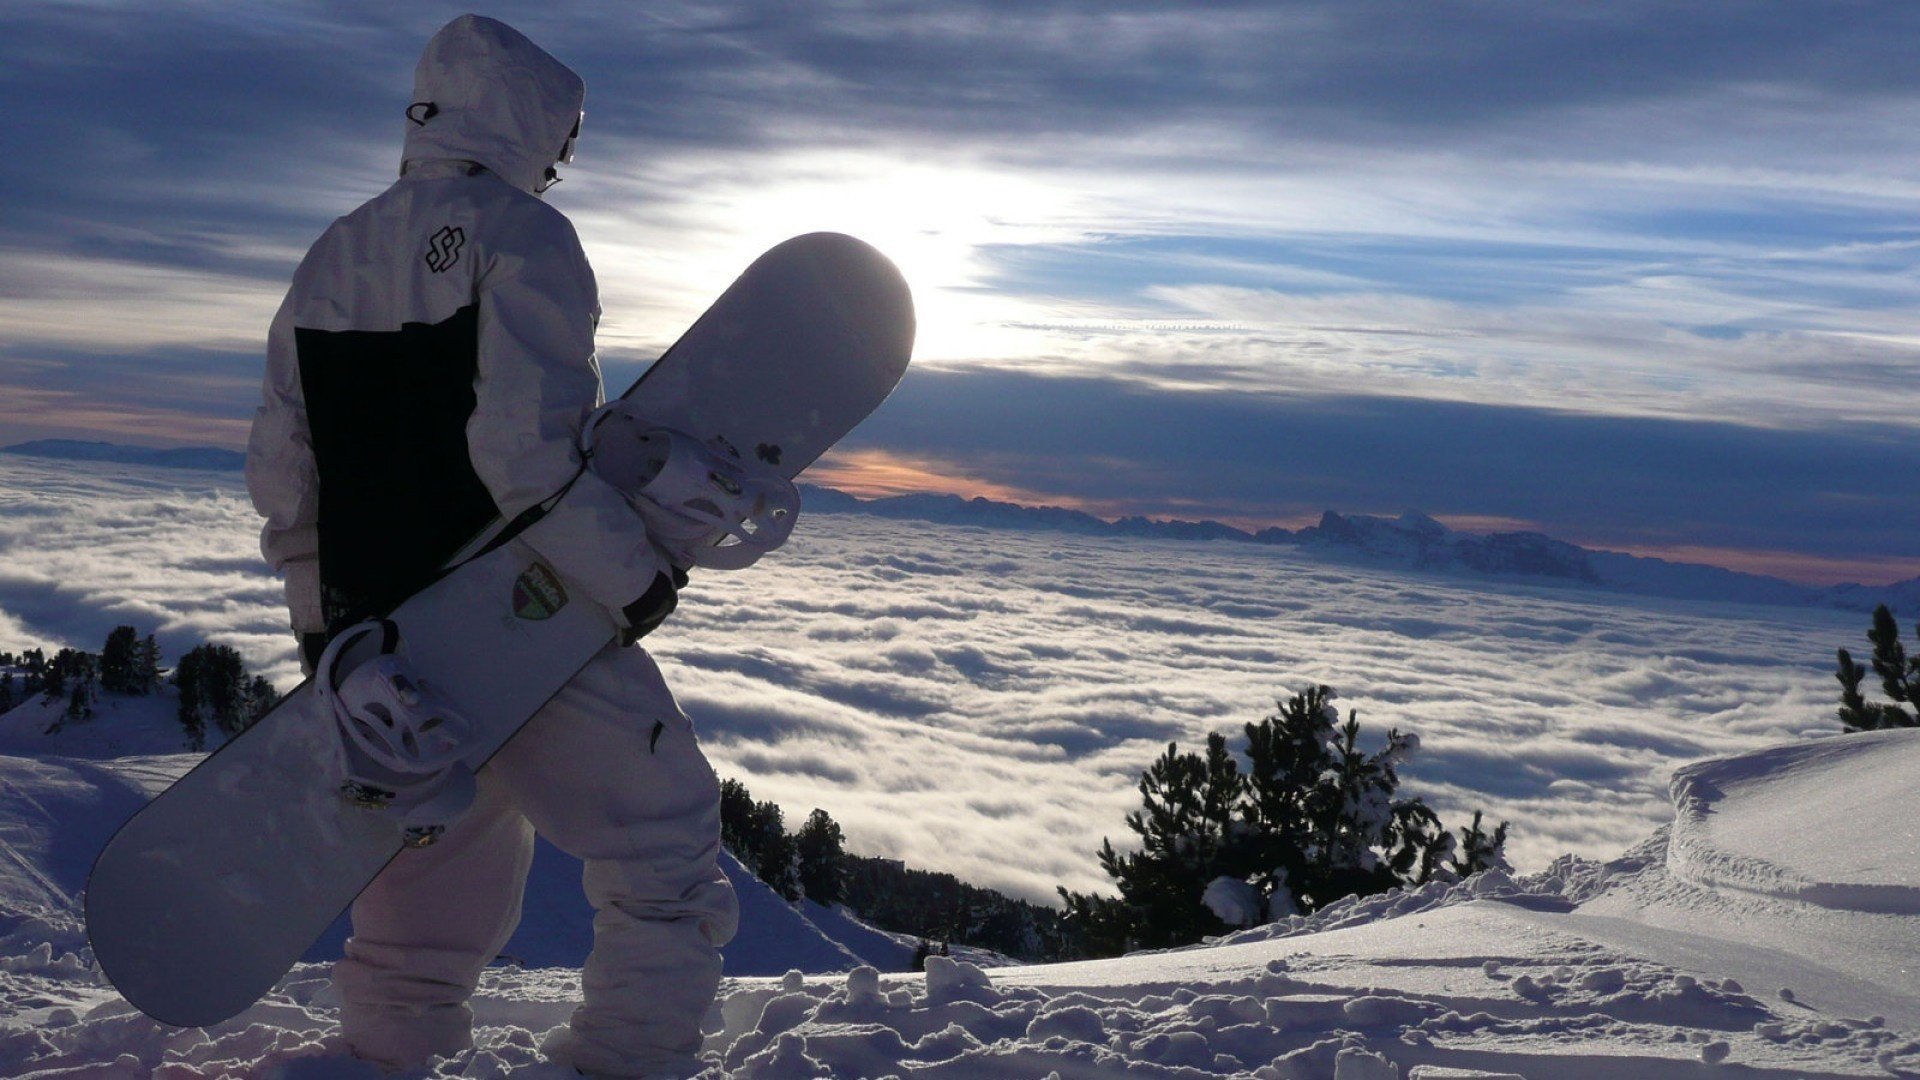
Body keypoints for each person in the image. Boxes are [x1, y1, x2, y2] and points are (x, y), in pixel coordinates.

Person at [245, 15, 737, 1077]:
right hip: (520, 609)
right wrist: (636, 581)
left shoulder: (332, 249)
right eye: (562, 138)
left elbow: (286, 475)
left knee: (430, 891)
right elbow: (523, 453)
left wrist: (330, 635)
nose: (564, 161)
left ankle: (379, 1060)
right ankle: (627, 1060)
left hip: (391, 643)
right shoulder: (524, 237)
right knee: (665, 850)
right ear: (530, 124)